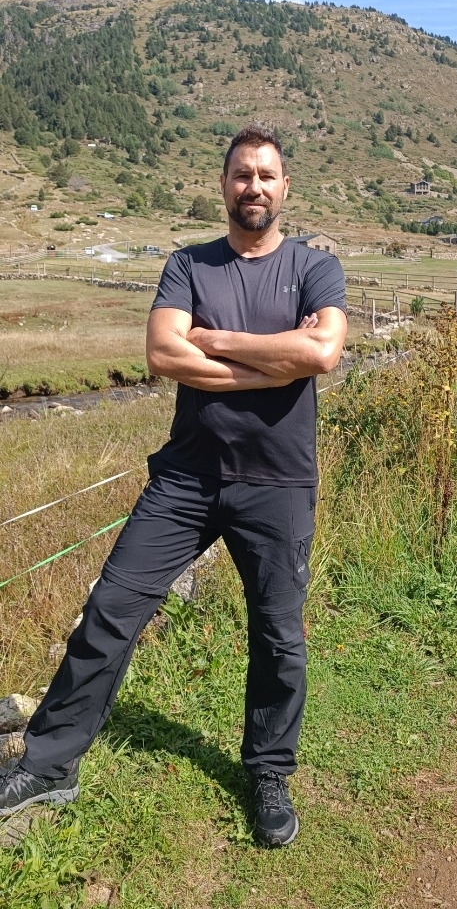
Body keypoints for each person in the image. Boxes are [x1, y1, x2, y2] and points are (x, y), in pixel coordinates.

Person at [0, 124, 347, 847]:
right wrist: (270, 365)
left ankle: (269, 773)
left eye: (266, 175)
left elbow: (321, 351)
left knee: (279, 637)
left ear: (285, 188)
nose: (254, 186)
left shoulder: (315, 268)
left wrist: (213, 340)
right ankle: (49, 763)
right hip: (185, 479)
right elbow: (163, 353)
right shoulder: (189, 264)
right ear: (223, 185)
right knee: (111, 610)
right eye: (242, 174)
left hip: (278, 483)